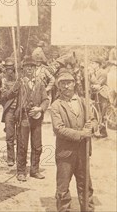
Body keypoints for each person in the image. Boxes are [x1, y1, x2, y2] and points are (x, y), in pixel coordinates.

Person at [48, 70, 96, 212]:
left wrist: (91, 127)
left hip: (83, 151)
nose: (66, 86)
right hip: (65, 154)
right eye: (63, 83)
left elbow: (93, 120)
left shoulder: (83, 101)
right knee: (63, 189)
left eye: (69, 82)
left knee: (86, 186)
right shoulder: (56, 105)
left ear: (74, 84)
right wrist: (81, 134)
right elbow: (59, 129)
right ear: (59, 86)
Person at [16, 56, 50, 181]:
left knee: (37, 145)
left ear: (35, 68)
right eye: (27, 67)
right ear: (23, 68)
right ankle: (21, 171)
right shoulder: (20, 83)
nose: (29, 68)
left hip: (36, 118)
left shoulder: (40, 83)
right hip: (24, 118)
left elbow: (46, 100)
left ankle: (34, 170)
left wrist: (40, 109)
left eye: (32, 67)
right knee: (22, 145)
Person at [0, 60, 19, 166]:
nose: (9, 71)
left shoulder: (20, 79)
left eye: (11, 69)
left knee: (21, 136)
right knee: (9, 136)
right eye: (7, 69)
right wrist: (13, 90)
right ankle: (10, 157)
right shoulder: (4, 80)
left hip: (20, 110)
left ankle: (20, 157)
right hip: (9, 111)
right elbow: (4, 95)